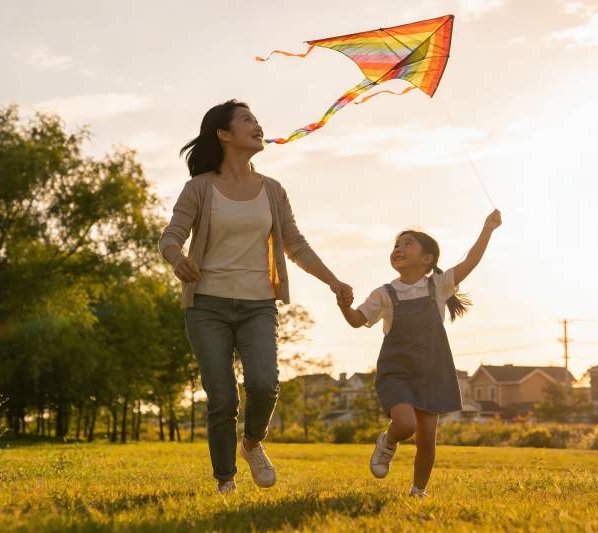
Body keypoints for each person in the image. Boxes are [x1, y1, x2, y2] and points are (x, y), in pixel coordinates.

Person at [158, 99, 353, 494]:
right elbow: (170, 236)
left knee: (264, 384)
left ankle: (252, 443)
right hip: (207, 305)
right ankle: (225, 481)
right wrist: (178, 259)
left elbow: (295, 244)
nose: (257, 125)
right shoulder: (199, 188)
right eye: (248, 120)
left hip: (258, 305)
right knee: (222, 397)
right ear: (224, 134)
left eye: (258, 120)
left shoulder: (273, 190)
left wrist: (333, 281)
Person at [337, 210, 502, 497]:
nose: (399, 249)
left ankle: (418, 491)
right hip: (397, 373)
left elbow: (471, 261)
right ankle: (387, 442)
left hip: (432, 372)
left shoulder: (438, 286)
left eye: (407, 244)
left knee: (427, 440)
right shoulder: (384, 293)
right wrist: (344, 305)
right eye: (396, 246)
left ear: (427, 259)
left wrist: (488, 228)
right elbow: (356, 320)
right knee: (405, 425)